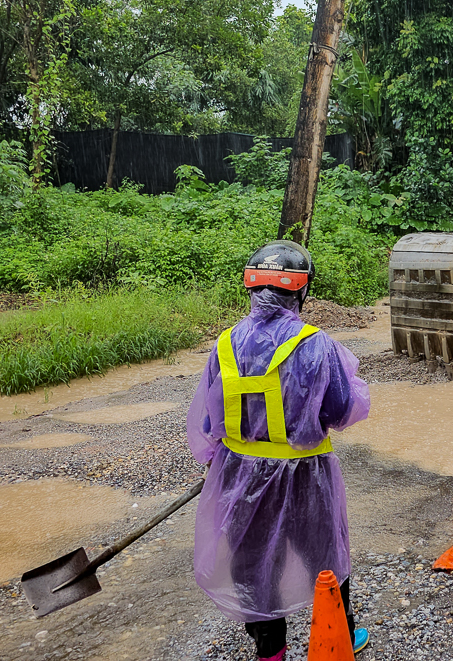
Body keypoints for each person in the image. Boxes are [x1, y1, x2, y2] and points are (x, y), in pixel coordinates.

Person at [187, 240, 371, 660]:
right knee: (324, 553)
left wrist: (226, 463)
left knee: (252, 561)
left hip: (240, 474)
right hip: (305, 473)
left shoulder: (225, 344)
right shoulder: (315, 343)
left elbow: (206, 424)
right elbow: (342, 410)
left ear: (250, 287)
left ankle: (271, 651)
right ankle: (338, 638)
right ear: (301, 291)